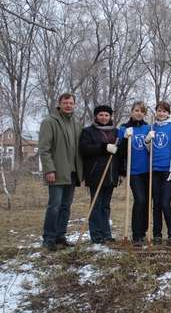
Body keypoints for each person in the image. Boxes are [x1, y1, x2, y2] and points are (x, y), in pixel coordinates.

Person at [38, 92, 83, 251]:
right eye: (65, 102)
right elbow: (44, 149)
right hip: (56, 172)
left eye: (71, 103)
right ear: (59, 103)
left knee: (65, 206)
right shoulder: (50, 122)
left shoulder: (76, 124)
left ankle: (60, 236)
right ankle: (48, 238)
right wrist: (49, 169)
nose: (68, 105)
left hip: (72, 172)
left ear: (74, 104)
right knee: (54, 206)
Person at [79, 105, 119, 244]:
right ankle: (96, 235)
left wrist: (121, 172)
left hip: (111, 173)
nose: (104, 117)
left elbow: (121, 153)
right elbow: (84, 149)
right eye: (101, 115)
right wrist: (104, 147)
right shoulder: (88, 131)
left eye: (106, 115)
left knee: (106, 205)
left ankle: (106, 233)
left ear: (110, 117)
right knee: (96, 204)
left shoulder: (115, 132)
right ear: (96, 116)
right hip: (95, 173)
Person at [145, 101, 171, 246]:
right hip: (154, 170)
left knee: (165, 203)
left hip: (168, 170)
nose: (161, 113)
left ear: (168, 113)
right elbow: (149, 150)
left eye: (164, 111)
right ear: (156, 112)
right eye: (159, 110)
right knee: (157, 204)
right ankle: (157, 234)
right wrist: (147, 140)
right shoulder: (152, 127)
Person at [118, 101, 151, 246]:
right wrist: (125, 139)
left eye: (142, 111)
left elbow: (152, 149)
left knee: (147, 201)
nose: (139, 113)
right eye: (136, 110)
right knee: (140, 200)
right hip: (134, 171)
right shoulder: (124, 128)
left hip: (148, 170)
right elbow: (120, 152)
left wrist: (150, 141)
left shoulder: (148, 128)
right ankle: (136, 234)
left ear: (144, 114)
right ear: (131, 111)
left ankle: (143, 231)